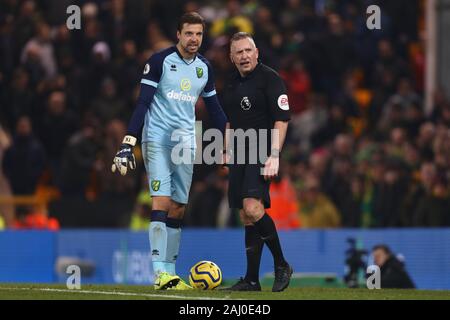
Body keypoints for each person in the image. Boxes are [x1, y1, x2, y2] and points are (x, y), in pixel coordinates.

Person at [111, 12, 226, 290]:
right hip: (157, 140)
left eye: (199, 34)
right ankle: (160, 273)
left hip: (186, 145)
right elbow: (142, 104)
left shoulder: (204, 68)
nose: (194, 39)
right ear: (178, 34)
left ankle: (170, 273)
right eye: (189, 33)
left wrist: (230, 140)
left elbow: (215, 109)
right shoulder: (160, 61)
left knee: (178, 208)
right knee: (161, 203)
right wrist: (128, 143)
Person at [221, 32, 292, 292]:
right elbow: (230, 119)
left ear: (257, 52)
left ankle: (282, 264)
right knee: (246, 215)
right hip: (239, 151)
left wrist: (274, 155)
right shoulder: (230, 83)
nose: (244, 56)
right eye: (238, 52)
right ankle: (251, 280)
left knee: (253, 207)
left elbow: (281, 120)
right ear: (231, 58)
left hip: (262, 148)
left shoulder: (270, 79)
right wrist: (226, 149)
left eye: (248, 50)